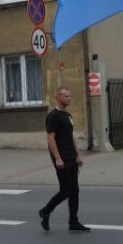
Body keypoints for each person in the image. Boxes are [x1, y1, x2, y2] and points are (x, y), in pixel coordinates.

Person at [38, 86, 90, 233]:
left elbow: (71, 136)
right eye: (66, 96)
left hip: (71, 157)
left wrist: (78, 154)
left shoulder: (68, 116)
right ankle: (45, 211)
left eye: (70, 96)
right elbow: (50, 138)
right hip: (62, 159)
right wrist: (58, 159)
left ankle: (73, 221)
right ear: (58, 97)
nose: (69, 98)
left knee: (74, 191)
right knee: (65, 190)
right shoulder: (53, 116)